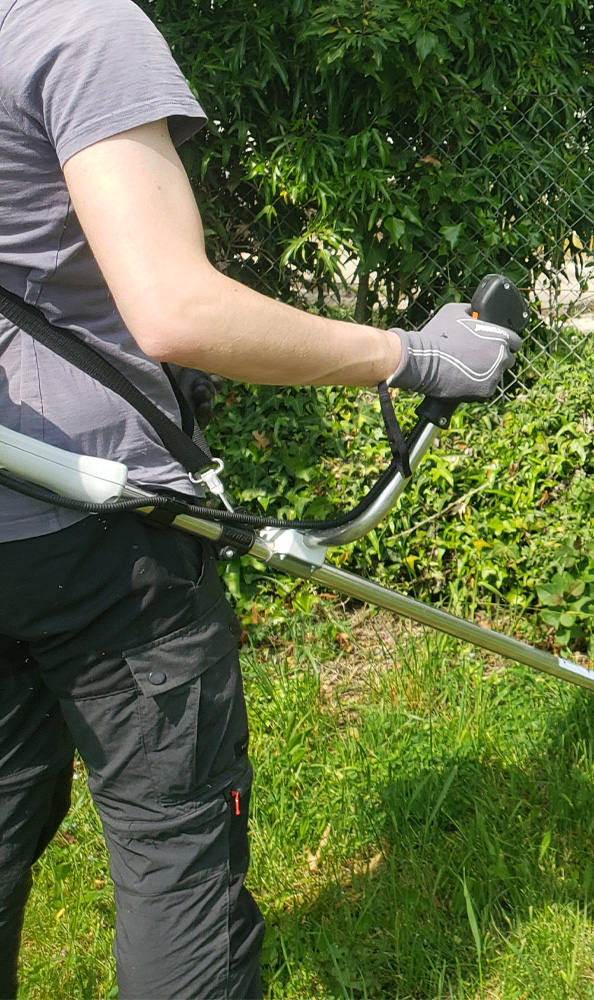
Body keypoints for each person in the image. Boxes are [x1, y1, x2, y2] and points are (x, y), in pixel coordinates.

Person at [0, 1, 522, 996]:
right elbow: (175, 309)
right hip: (102, 542)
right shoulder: (78, 28)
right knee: (173, 850)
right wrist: (412, 356)